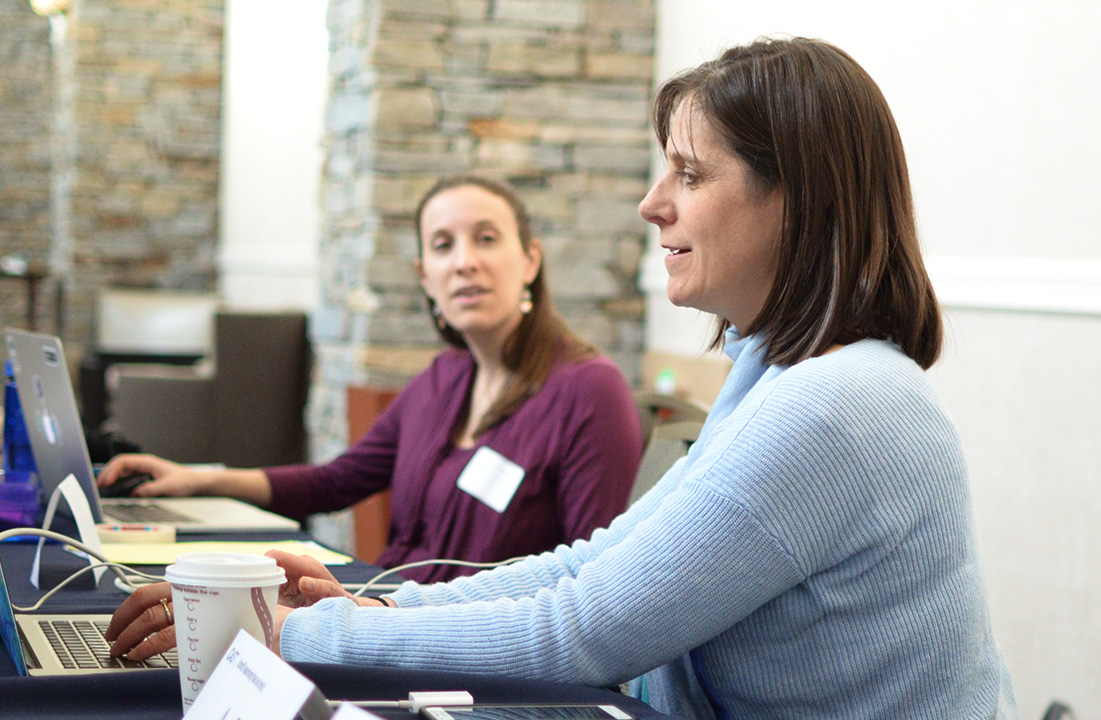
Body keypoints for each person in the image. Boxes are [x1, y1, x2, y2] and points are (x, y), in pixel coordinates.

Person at [108, 38, 1017, 719]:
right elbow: (600, 562)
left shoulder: (837, 408)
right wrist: (373, 603)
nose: (652, 202)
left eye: (690, 173)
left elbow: (580, 629)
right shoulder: (776, 373)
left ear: (801, 200)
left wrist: (285, 633)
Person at [98, 175, 643, 583]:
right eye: (442, 245)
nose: (464, 263)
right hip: (380, 613)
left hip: (466, 655)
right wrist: (197, 479)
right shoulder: (443, 378)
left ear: (529, 260)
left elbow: (591, 583)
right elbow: (334, 482)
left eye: (486, 238)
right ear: (424, 277)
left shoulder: (589, 391)